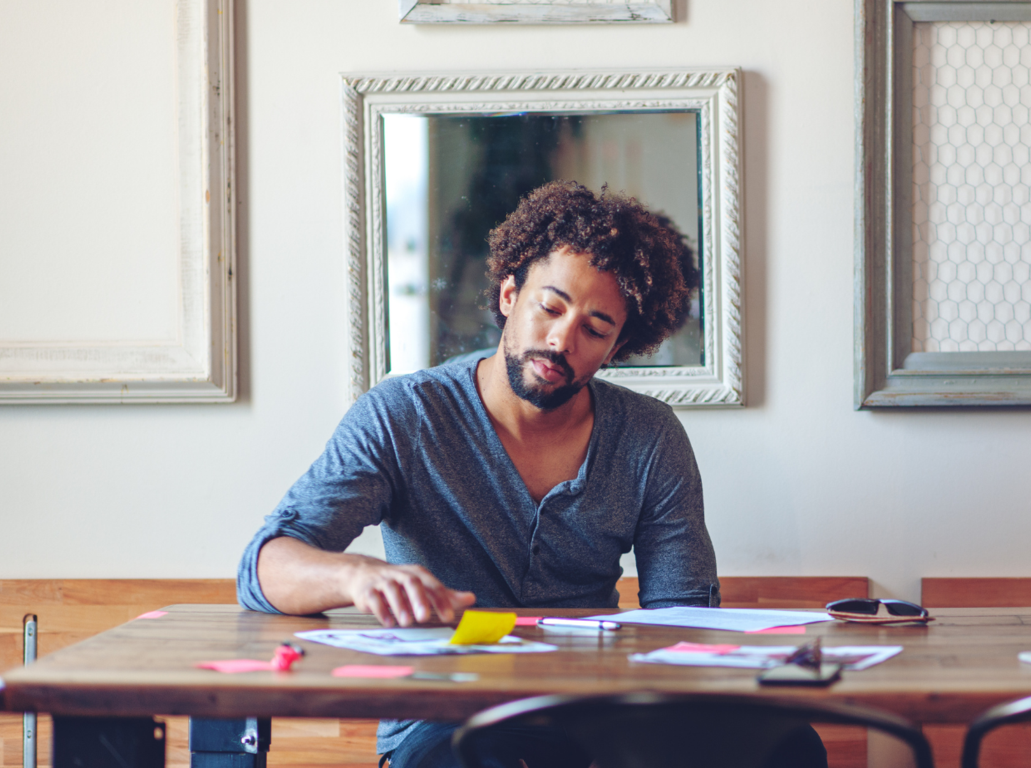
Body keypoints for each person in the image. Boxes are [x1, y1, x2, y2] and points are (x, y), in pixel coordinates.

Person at [236, 181, 722, 768]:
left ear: (616, 348)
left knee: (784, 746)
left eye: (595, 329)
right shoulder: (404, 414)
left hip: (594, 709)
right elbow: (265, 567)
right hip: (443, 715)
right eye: (550, 307)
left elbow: (685, 615)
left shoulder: (649, 436)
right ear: (509, 293)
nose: (561, 339)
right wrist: (357, 577)